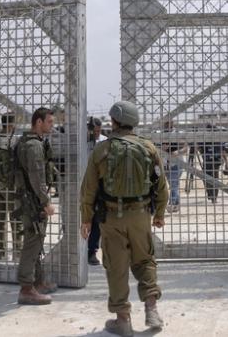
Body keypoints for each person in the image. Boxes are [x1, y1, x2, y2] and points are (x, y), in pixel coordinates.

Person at [80, 101, 168, 336]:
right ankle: (151, 309)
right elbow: (162, 185)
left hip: (111, 217)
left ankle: (123, 320)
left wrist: (86, 218)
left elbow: (88, 188)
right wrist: (159, 213)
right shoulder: (148, 148)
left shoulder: (102, 149)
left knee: (116, 266)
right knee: (145, 260)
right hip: (140, 215)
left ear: (115, 122)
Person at [14, 107, 58, 305]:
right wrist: (46, 201)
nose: (52, 125)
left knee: (37, 240)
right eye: (49, 122)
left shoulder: (29, 142)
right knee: (32, 242)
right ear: (38, 122)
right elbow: (36, 177)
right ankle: (26, 288)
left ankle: (38, 283)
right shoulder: (33, 146)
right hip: (32, 201)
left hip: (29, 199)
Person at [0, 113, 21, 260]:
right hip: (11, 186)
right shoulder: (14, 141)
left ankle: (2, 253)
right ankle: (16, 252)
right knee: (15, 220)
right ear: (11, 125)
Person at [87, 116, 104, 266]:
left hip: (99, 187)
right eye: (95, 131)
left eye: (99, 131)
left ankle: (92, 251)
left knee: (97, 220)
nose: (97, 134)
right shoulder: (82, 142)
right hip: (83, 186)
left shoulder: (105, 142)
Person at [161, 120, 185, 213]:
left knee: (174, 184)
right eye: (166, 123)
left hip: (176, 163)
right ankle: (176, 205)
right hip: (165, 164)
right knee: (172, 185)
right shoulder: (160, 134)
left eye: (169, 123)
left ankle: (172, 204)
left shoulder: (178, 134)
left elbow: (185, 148)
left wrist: (178, 152)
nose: (167, 125)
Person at [199, 123, 224, 203]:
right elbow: (200, 148)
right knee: (210, 179)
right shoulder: (205, 138)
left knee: (211, 179)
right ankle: (212, 195)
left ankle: (213, 196)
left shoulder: (216, 138)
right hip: (210, 161)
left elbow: (221, 150)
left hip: (213, 161)